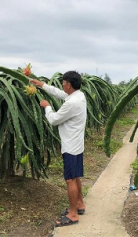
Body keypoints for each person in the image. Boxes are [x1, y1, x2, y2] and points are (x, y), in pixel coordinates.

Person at [30, 71, 87, 227]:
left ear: (68, 84)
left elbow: (54, 120)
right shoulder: (79, 96)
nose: (62, 85)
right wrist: (42, 85)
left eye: (63, 82)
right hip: (77, 144)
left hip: (70, 146)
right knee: (75, 177)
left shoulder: (71, 103)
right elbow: (61, 94)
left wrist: (47, 107)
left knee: (70, 180)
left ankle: (73, 214)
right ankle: (80, 205)